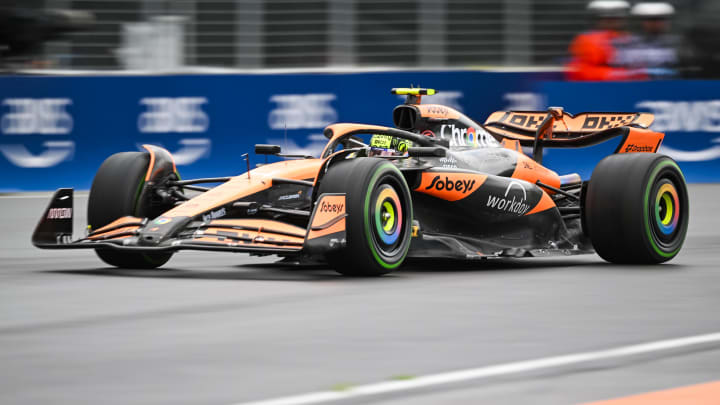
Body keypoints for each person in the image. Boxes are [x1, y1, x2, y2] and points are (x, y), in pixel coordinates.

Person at [566, 0, 646, 81]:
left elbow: (640, 68)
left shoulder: (632, 40)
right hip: (599, 87)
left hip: (632, 86)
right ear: (597, 19)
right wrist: (613, 74)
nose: (610, 21)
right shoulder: (586, 40)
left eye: (615, 18)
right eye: (605, 18)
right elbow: (581, 70)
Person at [623, 2, 679, 79]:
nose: (654, 23)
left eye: (660, 19)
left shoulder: (677, 44)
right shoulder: (627, 44)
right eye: (649, 20)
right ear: (640, 22)